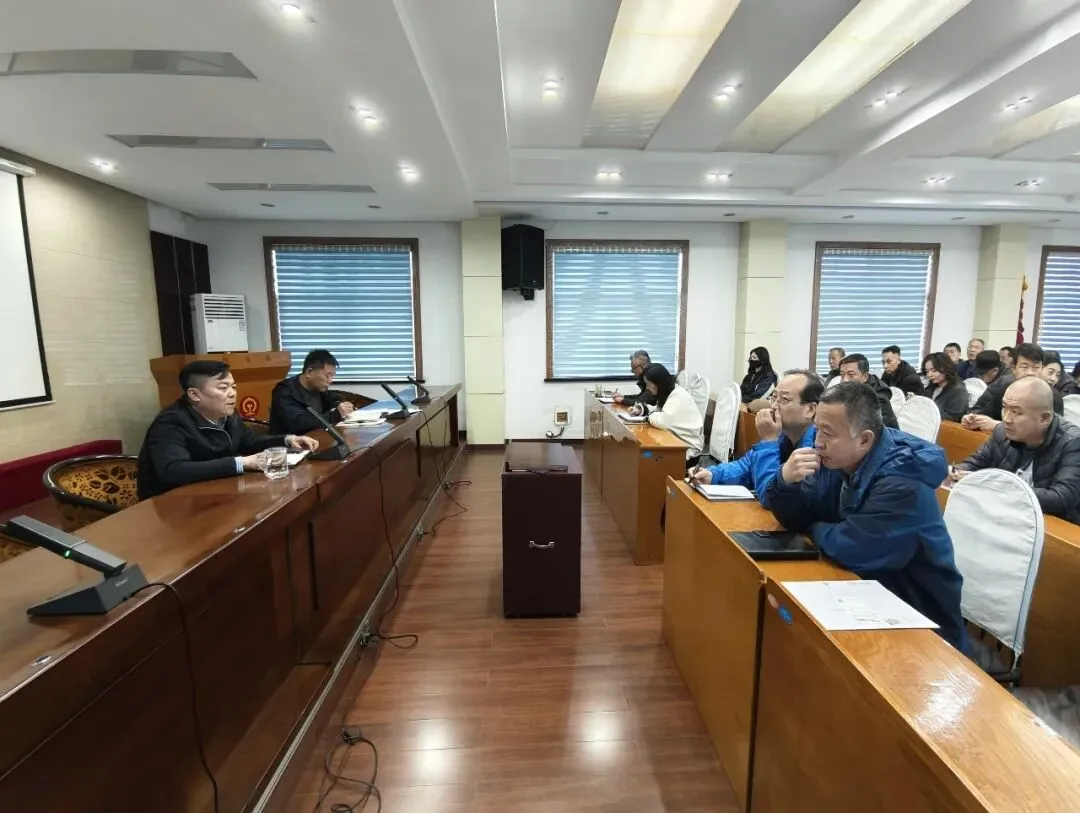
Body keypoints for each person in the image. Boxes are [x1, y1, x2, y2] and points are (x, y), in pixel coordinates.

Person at [763, 383, 968, 652]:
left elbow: (854, 548)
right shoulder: (835, 458)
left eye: (828, 433)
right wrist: (785, 481)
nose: (817, 442)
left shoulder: (903, 481)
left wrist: (814, 527)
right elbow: (800, 515)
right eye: (817, 430)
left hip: (921, 624)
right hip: (864, 596)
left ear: (864, 439)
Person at [138, 360, 319, 500]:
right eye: (223, 388)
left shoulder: (228, 415)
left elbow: (249, 442)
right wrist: (242, 463)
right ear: (194, 394)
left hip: (216, 494)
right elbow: (174, 470)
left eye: (233, 387)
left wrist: (288, 440)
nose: (232, 393)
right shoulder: (170, 423)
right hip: (174, 505)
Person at [951, 377, 1080, 524]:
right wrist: (956, 471)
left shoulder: (1073, 442)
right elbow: (975, 463)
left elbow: (1061, 498)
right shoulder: (1002, 431)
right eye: (1004, 407)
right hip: (1008, 515)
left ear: (1044, 418)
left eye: (1016, 412)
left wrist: (995, 485)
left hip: (1053, 525)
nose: (1006, 419)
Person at [691, 370, 823, 498]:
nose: (774, 406)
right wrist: (712, 474)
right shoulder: (781, 434)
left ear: (810, 409)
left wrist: (768, 441)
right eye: (774, 397)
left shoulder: (818, 448)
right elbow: (748, 465)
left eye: (784, 399)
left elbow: (770, 495)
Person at [964, 342, 1063, 430]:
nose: (1030, 372)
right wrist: (972, 418)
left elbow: (1053, 431)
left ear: (1042, 368)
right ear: (1013, 368)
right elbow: (979, 410)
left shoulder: (1052, 396)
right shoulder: (1001, 386)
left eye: (1036, 368)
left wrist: (997, 426)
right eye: (1024, 367)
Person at [629, 363, 703, 464]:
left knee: (645, 459)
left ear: (659, 384)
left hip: (687, 452)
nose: (647, 388)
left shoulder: (678, 396)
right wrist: (641, 409)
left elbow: (663, 421)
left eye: (649, 384)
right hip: (675, 443)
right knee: (643, 456)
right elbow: (659, 410)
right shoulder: (669, 391)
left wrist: (648, 416)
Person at [269, 349, 355, 435]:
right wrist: (334, 415)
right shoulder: (284, 391)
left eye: (332, 376)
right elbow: (298, 424)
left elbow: (334, 399)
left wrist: (340, 406)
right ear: (309, 372)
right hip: (289, 441)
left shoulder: (318, 388)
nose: (330, 380)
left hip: (317, 437)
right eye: (327, 376)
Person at [836, 353, 899, 429]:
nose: (845, 380)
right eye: (842, 375)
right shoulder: (848, 389)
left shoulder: (878, 399)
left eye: (851, 374)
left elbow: (862, 428)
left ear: (865, 377)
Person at [921, 352, 969, 423]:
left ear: (946, 368)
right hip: (927, 423)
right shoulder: (932, 385)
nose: (929, 375)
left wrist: (926, 412)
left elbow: (952, 418)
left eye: (934, 370)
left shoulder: (959, 390)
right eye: (927, 371)